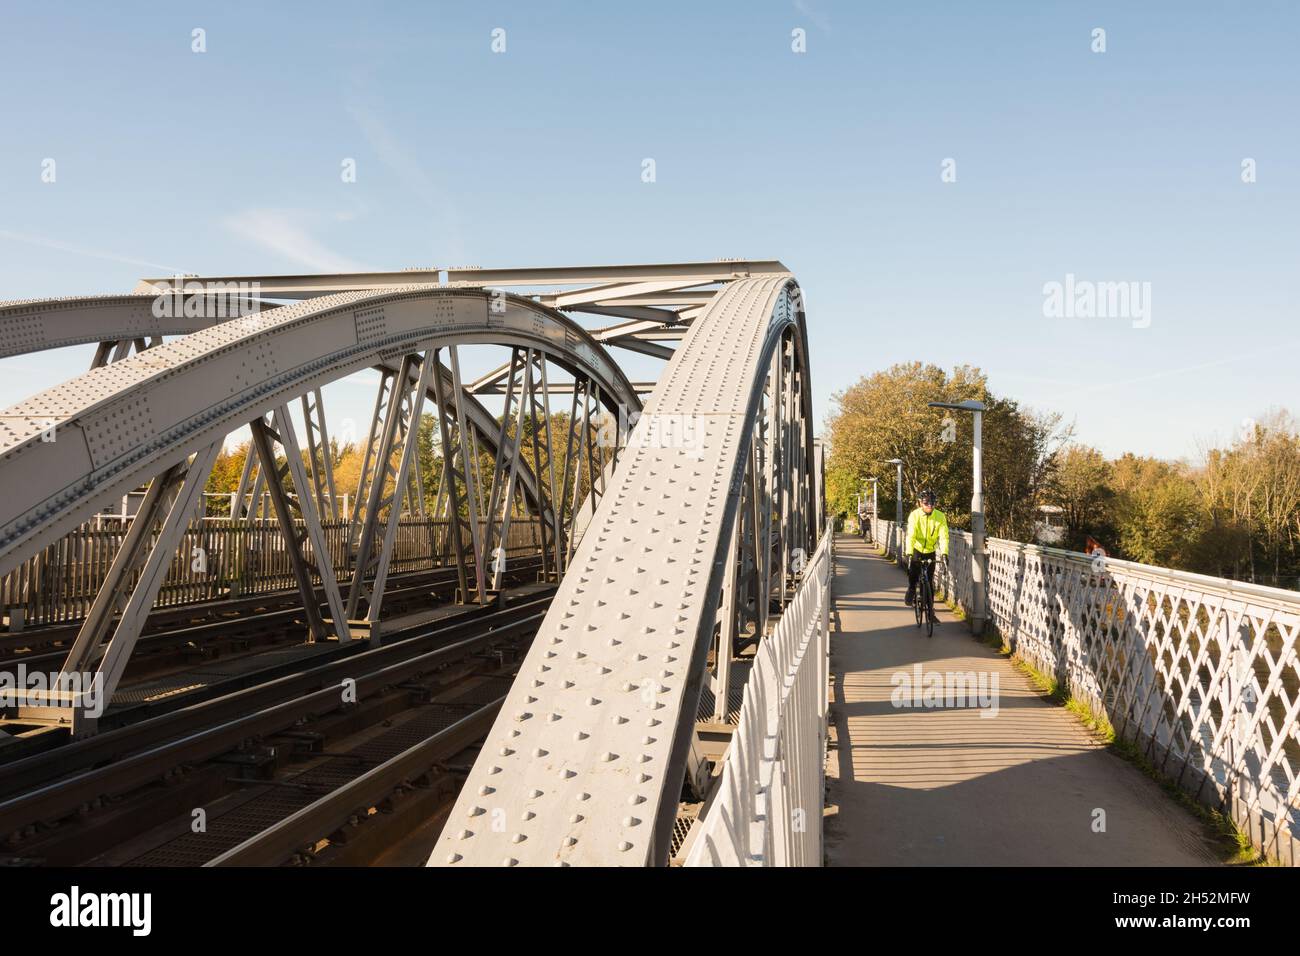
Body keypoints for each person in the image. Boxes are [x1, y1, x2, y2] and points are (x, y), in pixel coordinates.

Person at [904, 489, 949, 607]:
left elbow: (944, 537)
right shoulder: (915, 515)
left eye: (932, 503)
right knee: (913, 573)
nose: (929, 506)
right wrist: (909, 553)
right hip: (917, 548)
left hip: (931, 550)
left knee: (929, 581)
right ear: (920, 503)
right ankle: (912, 589)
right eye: (926, 503)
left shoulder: (940, 516)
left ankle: (930, 612)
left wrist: (944, 553)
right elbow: (911, 536)